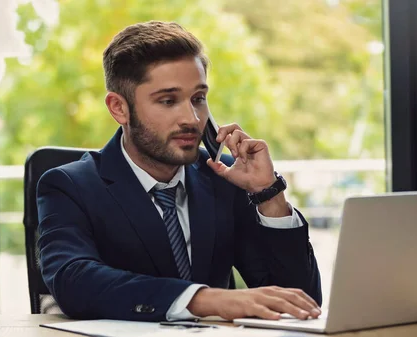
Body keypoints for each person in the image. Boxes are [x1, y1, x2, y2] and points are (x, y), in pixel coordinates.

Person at [36, 21, 322, 322]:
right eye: (168, 100)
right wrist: (203, 300)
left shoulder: (222, 180)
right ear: (119, 108)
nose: (192, 118)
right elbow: (73, 280)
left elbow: (302, 304)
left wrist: (268, 194)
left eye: (198, 98)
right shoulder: (70, 186)